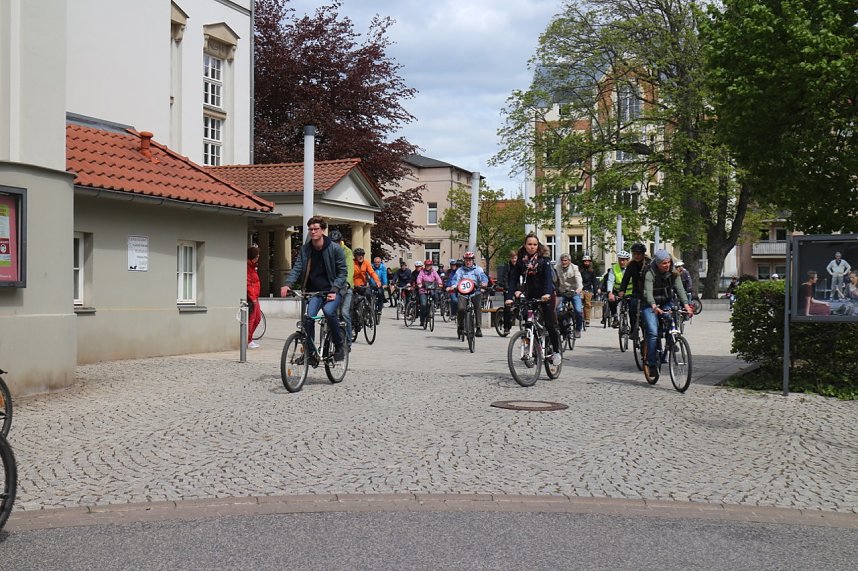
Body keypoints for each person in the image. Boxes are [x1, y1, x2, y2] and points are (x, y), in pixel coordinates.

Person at [280, 216, 347, 362]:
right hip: (314, 292)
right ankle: (310, 353)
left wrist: (334, 290)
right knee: (308, 318)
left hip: (333, 290)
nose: (313, 232)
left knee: (329, 312)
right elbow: (297, 268)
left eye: (316, 229)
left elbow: (343, 273)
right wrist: (288, 284)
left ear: (323, 230)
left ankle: (339, 345)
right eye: (310, 229)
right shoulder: (306, 249)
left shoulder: (335, 249)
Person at [505, 233, 562, 365]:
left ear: (538, 246)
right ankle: (533, 346)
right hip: (531, 294)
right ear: (525, 245)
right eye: (529, 244)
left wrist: (547, 293)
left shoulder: (544, 260)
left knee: (549, 324)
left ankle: (556, 351)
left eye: (535, 244)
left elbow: (548, 279)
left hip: (546, 295)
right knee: (528, 320)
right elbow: (513, 279)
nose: (532, 247)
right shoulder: (521, 261)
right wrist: (509, 297)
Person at [641, 250, 694, 380]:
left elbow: (680, 290)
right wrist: (654, 306)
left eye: (669, 262)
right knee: (653, 333)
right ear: (658, 263)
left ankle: (672, 339)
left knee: (671, 315)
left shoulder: (673, 273)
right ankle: (652, 364)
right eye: (664, 263)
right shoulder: (650, 273)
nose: (667, 265)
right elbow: (648, 292)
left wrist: (686, 305)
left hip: (665, 301)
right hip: (650, 305)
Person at [447, 251, 489, 337]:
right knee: (461, 309)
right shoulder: (460, 270)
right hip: (463, 294)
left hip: (475, 292)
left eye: (470, 260)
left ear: (473, 260)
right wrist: (453, 286)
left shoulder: (478, 269)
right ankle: (461, 326)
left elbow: (483, 277)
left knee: (477, 307)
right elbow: (455, 279)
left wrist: (484, 283)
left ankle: (478, 328)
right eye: (466, 260)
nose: (468, 262)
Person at [617, 243, 650, 336]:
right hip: (636, 292)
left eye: (639, 254)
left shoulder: (649, 264)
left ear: (643, 254)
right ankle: (633, 329)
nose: (637, 256)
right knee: (632, 309)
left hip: (648, 292)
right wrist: (622, 290)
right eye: (634, 254)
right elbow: (626, 278)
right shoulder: (631, 265)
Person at [330, 230, 354, 347]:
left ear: (340, 242)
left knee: (344, 313)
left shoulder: (347, 252)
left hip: (345, 286)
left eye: (336, 242)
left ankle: (348, 341)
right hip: (333, 287)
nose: (334, 244)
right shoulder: (328, 250)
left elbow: (349, 269)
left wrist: (348, 283)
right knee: (330, 313)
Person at [554, 253, 584, 338]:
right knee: (557, 309)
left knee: (578, 311)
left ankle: (578, 329)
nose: (564, 262)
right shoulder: (556, 267)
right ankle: (561, 327)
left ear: (569, 261)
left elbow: (579, 280)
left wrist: (578, 289)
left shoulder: (574, 268)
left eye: (565, 260)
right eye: (562, 260)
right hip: (562, 292)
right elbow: (554, 280)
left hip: (574, 292)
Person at [606, 250, 631, 327]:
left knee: (633, 308)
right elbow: (610, 281)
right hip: (617, 291)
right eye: (620, 260)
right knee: (611, 300)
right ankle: (615, 317)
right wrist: (610, 293)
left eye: (624, 260)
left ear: (628, 260)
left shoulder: (632, 268)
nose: (622, 262)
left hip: (630, 292)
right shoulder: (614, 268)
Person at [353, 248, 381, 316]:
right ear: (355, 256)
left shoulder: (366, 263)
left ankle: (368, 311)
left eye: (362, 255)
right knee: (352, 301)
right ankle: (355, 315)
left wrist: (377, 281)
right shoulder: (352, 263)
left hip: (363, 285)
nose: (360, 256)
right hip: (354, 285)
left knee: (368, 294)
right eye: (358, 255)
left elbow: (372, 272)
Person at [416, 259, 443, 327]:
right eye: (427, 265)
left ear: (431, 266)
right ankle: (422, 320)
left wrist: (440, 283)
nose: (428, 266)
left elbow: (438, 278)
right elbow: (419, 278)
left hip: (431, 289)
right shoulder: (422, 272)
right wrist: (419, 283)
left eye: (429, 265)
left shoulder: (433, 272)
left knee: (435, 295)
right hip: (423, 290)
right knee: (423, 304)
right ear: (425, 266)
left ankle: (434, 305)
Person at [246, 245, 262, 349]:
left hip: (255, 297)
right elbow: (248, 283)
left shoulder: (252, 266)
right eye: (257, 255)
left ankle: (249, 339)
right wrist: (252, 298)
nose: (258, 256)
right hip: (252, 298)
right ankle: (248, 340)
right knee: (252, 319)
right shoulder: (248, 267)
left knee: (257, 318)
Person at [500, 250, 519, 334]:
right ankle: (506, 327)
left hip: (518, 288)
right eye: (512, 258)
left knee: (520, 305)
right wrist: (507, 288)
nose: (514, 260)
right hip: (509, 288)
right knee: (507, 307)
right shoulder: (507, 266)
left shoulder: (520, 266)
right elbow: (505, 278)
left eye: (515, 258)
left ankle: (514, 314)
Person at [579, 255, 597, 326]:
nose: (586, 263)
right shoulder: (580, 270)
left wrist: (595, 292)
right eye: (585, 261)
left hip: (588, 289)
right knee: (579, 302)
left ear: (590, 262)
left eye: (588, 261)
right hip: (580, 289)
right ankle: (579, 317)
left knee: (587, 304)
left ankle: (587, 319)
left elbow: (594, 281)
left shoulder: (592, 271)